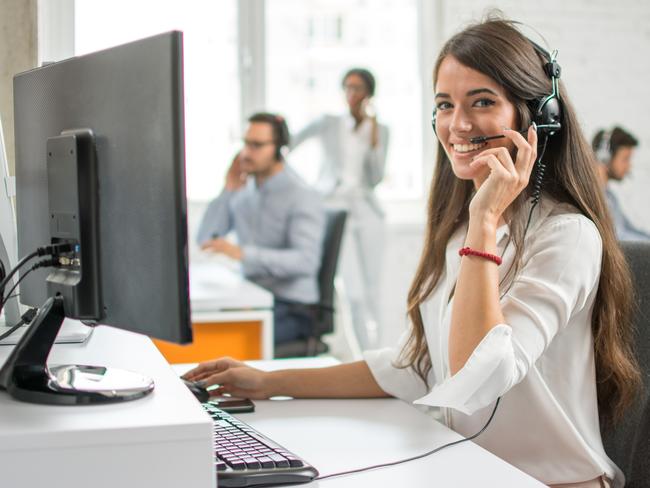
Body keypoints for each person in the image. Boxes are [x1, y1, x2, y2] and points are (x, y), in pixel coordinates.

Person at [186, 17, 641, 488]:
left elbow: (476, 379)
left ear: (537, 117)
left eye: (482, 102)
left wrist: (484, 221)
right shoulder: (461, 230)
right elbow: (419, 368)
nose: (458, 125)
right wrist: (268, 383)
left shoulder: (567, 236)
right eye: (445, 105)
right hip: (470, 471)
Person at [196, 112, 325, 347]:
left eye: (256, 145)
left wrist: (244, 253)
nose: (246, 153)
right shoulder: (244, 190)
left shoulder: (301, 194)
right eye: (245, 143)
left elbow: (306, 261)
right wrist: (228, 190)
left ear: (279, 148)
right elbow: (205, 239)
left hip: (292, 307)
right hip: (251, 297)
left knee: (222, 343)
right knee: (200, 329)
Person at [289, 68, 389, 349]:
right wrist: (309, 190)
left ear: (368, 93)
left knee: (372, 290)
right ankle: (361, 357)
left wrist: (373, 140)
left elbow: (376, 177)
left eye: (357, 88)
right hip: (334, 207)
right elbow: (289, 144)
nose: (351, 94)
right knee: (352, 291)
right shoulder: (328, 123)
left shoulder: (380, 130)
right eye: (347, 87)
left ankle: (378, 354)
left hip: (367, 210)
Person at [591, 127, 650, 241]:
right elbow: (620, 238)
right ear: (604, 158)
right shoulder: (595, 198)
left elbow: (630, 230)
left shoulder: (610, 197)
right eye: (625, 159)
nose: (629, 167)